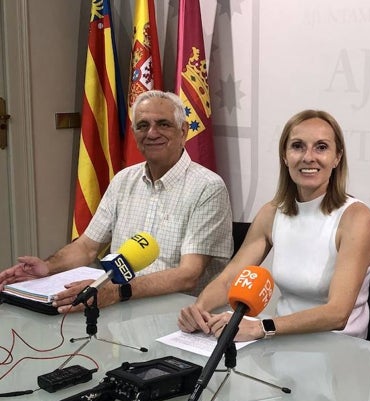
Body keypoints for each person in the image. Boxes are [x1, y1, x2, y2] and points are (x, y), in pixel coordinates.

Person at [0, 90, 233, 313]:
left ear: (183, 131)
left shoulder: (207, 187)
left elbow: (188, 275)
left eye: (163, 124)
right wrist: (47, 267)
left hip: (178, 314)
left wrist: (116, 291)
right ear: (134, 134)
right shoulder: (124, 180)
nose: (152, 133)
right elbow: (86, 247)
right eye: (143, 126)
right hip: (121, 307)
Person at [177, 109, 370, 340]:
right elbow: (228, 280)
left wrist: (260, 328)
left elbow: (338, 314)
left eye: (321, 147)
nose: (308, 157)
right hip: (282, 340)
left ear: (337, 158)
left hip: (337, 348)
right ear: (285, 155)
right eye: (298, 146)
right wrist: (199, 311)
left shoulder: (356, 217)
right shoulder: (272, 212)